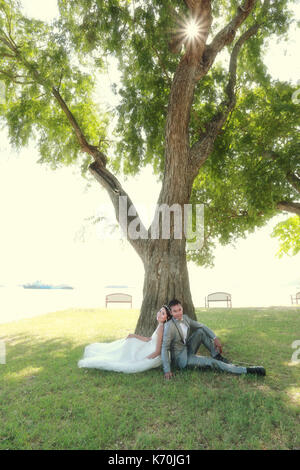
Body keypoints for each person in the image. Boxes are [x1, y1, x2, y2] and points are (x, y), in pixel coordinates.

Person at [161, 298, 266, 379]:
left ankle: (216, 355)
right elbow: (165, 348)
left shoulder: (186, 318)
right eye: (175, 311)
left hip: (187, 348)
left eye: (180, 309)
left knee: (200, 332)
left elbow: (201, 326)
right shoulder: (169, 326)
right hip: (182, 359)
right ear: (171, 312)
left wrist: (215, 338)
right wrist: (167, 370)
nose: (179, 313)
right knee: (211, 362)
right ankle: (247, 370)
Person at [78, 305, 172, 373]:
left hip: (149, 352)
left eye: (163, 313)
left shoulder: (161, 328)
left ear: (166, 318)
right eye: (160, 311)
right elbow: (149, 339)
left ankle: (116, 356)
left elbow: (158, 351)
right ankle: (115, 353)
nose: (159, 314)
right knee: (130, 341)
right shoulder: (160, 325)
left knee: (129, 348)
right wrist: (135, 336)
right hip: (148, 346)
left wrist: (143, 360)